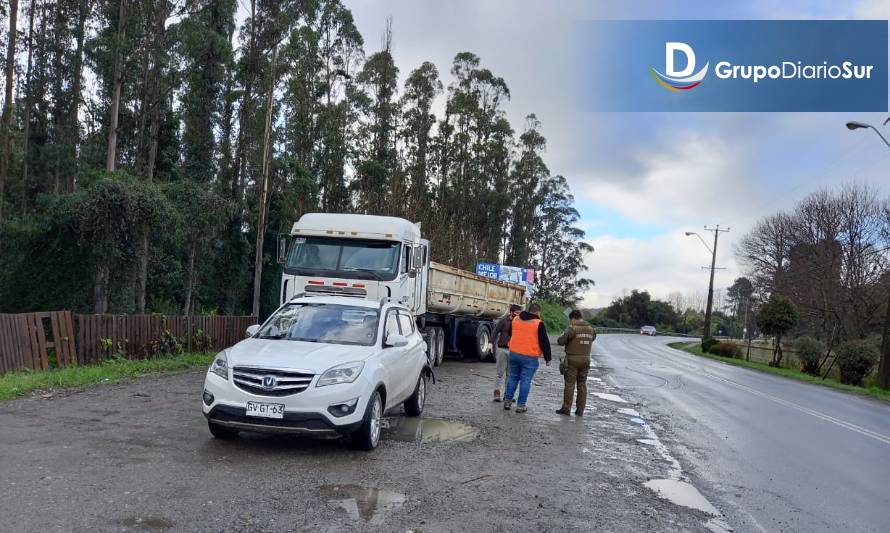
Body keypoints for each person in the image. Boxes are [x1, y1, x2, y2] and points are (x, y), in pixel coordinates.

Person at [503, 303, 552, 413]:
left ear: (528, 310)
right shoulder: (538, 323)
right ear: (538, 312)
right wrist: (548, 358)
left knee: (513, 377)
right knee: (525, 380)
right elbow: (544, 342)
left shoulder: (516, 319)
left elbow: (511, 333)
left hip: (514, 353)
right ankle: (520, 406)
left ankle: (507, 401)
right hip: (529, 356)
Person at [555, 310, 596, 416]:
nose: (570, 322)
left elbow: (560, 341)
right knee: (582, 384)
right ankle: (580, 409)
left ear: (573, 318)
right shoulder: (591, 329)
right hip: (586, 359)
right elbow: (593, 339)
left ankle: (566, 408)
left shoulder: (572, 329)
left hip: (573, 359)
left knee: (570, 384)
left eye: (570, 320)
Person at [491, 304, 521, 402]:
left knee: (510, 374)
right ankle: (496, 392)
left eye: (520, 313)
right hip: (502, 349)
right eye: (517, 313)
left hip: (513, 350)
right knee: (500, 373)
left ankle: (508, 395)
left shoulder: (521, 322)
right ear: (511, 312)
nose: (518, 315)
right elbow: (495, 332)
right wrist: (490, 343)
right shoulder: (503, 320)